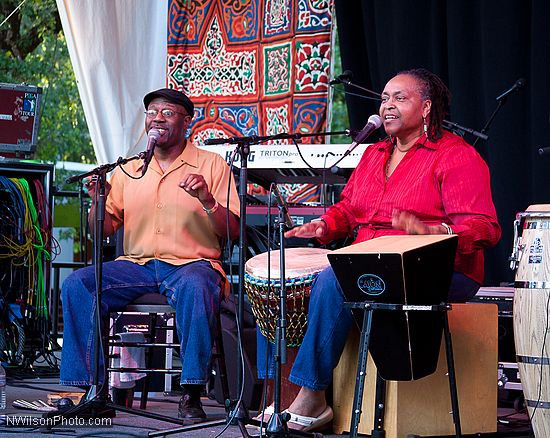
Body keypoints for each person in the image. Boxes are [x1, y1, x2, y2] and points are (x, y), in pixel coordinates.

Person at [256, 68, 501, 431]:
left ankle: (311, 395)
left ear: (427, 107)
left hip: (438, 269)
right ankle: (278, 391)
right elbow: (349, 209)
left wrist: (436, 231)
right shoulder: (373, 155)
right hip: (371, 263)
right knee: (280, 282)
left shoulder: (455, 156)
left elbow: (486, 227)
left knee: (334, 280)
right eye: (385, 98)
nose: (387, 105)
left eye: (399, 98)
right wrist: (325, 225)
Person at [59, 88, 240, 420]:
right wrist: (98, 200)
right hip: (136, 265)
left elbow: (232, 231)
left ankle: (192, 393)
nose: (157, 117)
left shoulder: (212, 165)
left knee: (197, 287)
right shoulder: (128, 169)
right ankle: (92, 391)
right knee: (78, 285)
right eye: (152, 112)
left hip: (191, 263)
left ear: (187, 121)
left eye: (167, 112)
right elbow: (103, 231)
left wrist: (208, 199)